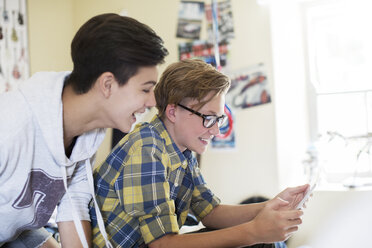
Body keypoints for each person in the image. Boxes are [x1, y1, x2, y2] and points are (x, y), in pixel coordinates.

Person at [90, 59, 309, 248]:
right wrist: (254, 231)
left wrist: (272, 204)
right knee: (259, 240)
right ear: (173, 112)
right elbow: (162, 244)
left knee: (264, 241)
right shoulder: (147, 151)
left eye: (219, 119)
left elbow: (210, 213)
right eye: (208, 118)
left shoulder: (183, 151)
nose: (215, 130)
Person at [0, 13, 168, 248]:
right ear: (107, 84)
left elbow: (73, 203)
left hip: (18, 230)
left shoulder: (88, 132)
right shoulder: (10, 124)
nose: (152, 102)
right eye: (145, 89)